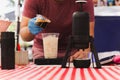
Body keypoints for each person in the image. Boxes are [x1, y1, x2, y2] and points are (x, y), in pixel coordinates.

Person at [20, 0, 95, 61]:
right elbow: (24, 36)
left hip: (73, 54)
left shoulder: (84, 1)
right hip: (43, 53)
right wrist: (30, 29)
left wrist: (84, 53)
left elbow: (88, 36)